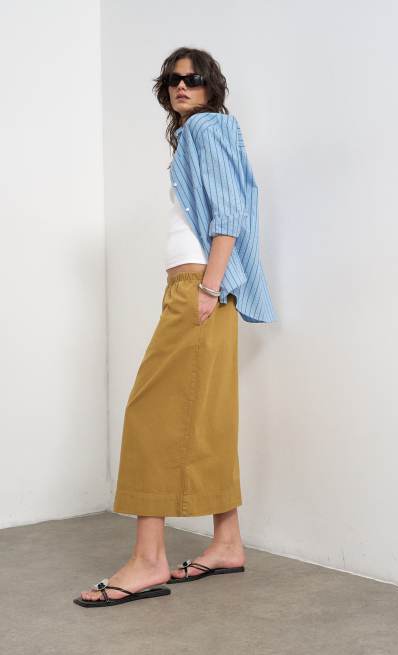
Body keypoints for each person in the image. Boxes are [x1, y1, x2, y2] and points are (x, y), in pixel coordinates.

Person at [73, 47, 277, 607]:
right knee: (207, 417)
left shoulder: (205, 130)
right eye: (172, 79)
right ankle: (227, 542)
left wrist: (207, 287)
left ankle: (148, 560)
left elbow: (230, 215)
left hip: (199, 290)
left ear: (212, 86)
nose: (181, 86)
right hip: (202, 289)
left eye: (193, 78)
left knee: (150, 413)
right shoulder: (205, 133)